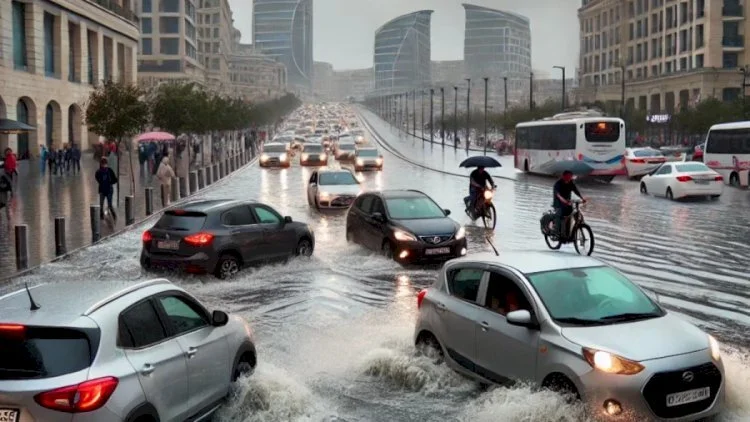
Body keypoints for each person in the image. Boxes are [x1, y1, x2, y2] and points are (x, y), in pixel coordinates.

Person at [553, 170, 586, 237]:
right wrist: (563, 200)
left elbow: (576, 191)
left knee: (574, 213)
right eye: (568, 176)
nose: (569, 178)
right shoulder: (558, 183)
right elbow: (558, 195)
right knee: (560, 216)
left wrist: (582, 198)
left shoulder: (571, 183)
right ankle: (556, 231)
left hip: (567, 202)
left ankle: (572, 229)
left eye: (570, 177)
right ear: (563, 176)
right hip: (559, 203)